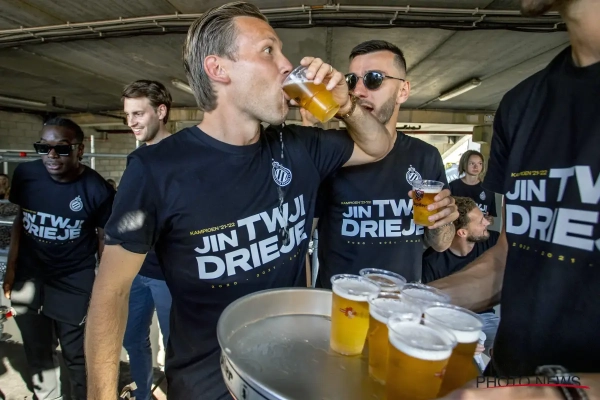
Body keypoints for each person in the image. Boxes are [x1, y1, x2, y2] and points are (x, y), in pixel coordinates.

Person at [83, 2, 420, 398]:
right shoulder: (156, 169)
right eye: (268, 50)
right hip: (209, 385)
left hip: (293, 375)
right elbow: (111, 294)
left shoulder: (299, 147)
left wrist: (346, 105)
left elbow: (378, 145)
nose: (287, 64)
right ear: (218, 69)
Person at [434, 0, 600, 398]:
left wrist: (548, 394)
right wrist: (419, 300)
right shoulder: (523, 103)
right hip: (504, 377)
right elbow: (510, 257)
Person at [316, 40, 458, 288]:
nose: (358, 91)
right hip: (342, 302)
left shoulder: (425, 156)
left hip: (401, 302)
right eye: (352, 81)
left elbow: (441, 243)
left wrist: (442, 219)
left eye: (374, 79)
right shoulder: (329, 153)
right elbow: (300, 239)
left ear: (403, 90)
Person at [2, 117, 115, 400]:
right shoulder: (26, 175)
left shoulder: (96, 189)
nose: (51, 155)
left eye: (62, 148)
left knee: (78, 354)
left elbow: (104, 238)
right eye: (44, 148)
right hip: (29, 277)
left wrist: (104, 287)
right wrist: (11, 269)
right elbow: (20, 220)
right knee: (38, 351)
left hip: (73, 281)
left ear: (79, 150)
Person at [120, 80, 173, 400]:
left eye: (138, 113)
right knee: (132, 338)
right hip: (137, 269)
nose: (131, 122)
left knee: (176, 344)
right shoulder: (136, 160)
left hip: (170, 274)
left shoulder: (185, 157)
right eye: (127, 115)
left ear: (161, 111)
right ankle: (143, 392)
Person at [422, 196, 499, 354]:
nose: (487, 222)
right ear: (462, 232)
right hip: (451, 321)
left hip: (486, 317)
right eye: (481, 221)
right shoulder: (432, 261)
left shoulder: (494, 242)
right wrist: (455, 338)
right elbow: (429, 312)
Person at [449, 150, 497, 224]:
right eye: (472, 163)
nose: (476, 167)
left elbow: (491, 217)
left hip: (479, 230)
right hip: (458, 229)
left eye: (479, 163)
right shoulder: (453, 186)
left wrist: (489, 220)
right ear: (464, 164)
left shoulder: (488, 189)